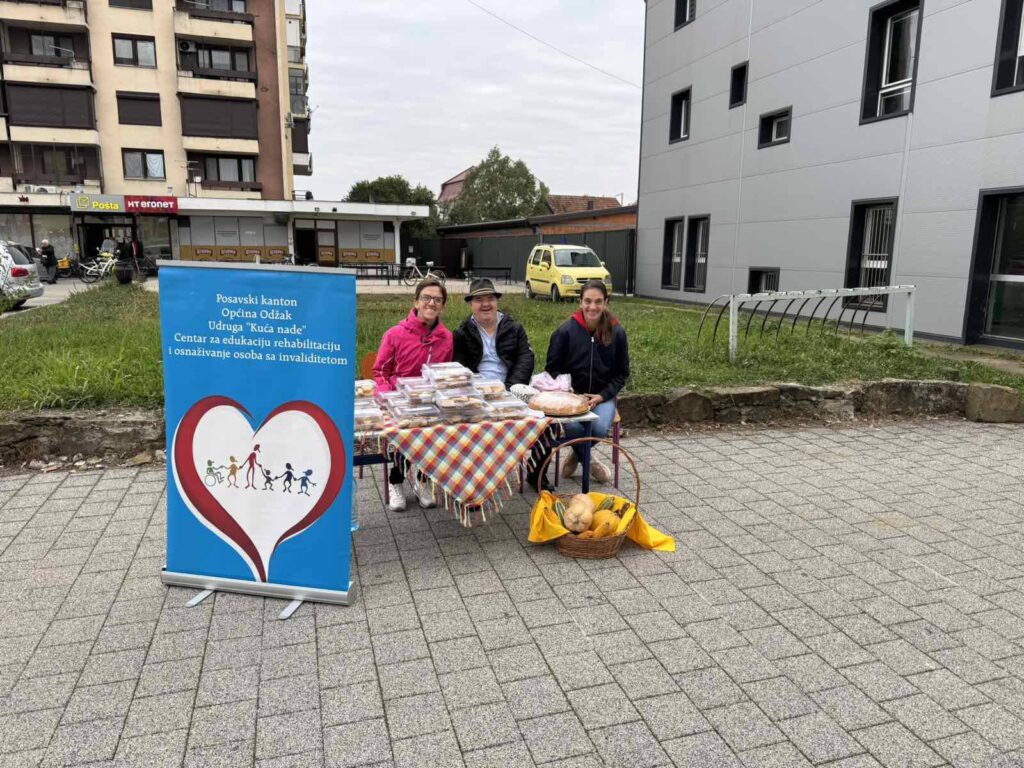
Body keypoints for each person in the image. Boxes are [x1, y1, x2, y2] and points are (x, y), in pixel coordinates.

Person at [452, 278, 553, 491]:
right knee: (470, 428)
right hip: (478, 397)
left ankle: (537, 474)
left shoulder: (514, 328)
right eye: (479, 300)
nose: (485, 304)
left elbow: (526, 359)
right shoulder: (461, 333)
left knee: (545, 424)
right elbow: (460, 369)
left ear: (496, 301)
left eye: (490, 298)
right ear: (470, 304)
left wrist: (509, 389)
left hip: (512, 392)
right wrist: (480, 393)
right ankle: (475, 480)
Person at [373, 278, 453, 511]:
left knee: (434, 439)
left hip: (431, 402)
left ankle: (422, 481)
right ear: (416, 302)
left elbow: (443, 372)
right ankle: (396, 482)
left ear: (443, 306)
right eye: (426, 298)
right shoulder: (395, 334)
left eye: (437, 300)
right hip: (400, 401)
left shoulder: (446, 337)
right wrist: (390, 398)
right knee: (405, 440)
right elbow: (380, 372)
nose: (432, 303)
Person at [544, 280, 629, 484]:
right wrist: (571, 394)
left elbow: (622, 373)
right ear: (580, 302)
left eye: (598, 301)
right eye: (588, 301)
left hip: (602, 396)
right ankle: (588, 460)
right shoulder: (565, 332)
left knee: (598, 429)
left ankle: (576, 453)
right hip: (570, 397)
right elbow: (552, 369)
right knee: (573, 427)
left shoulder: (617, 332)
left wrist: (602, 396)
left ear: (606, 302)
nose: (593, 307)